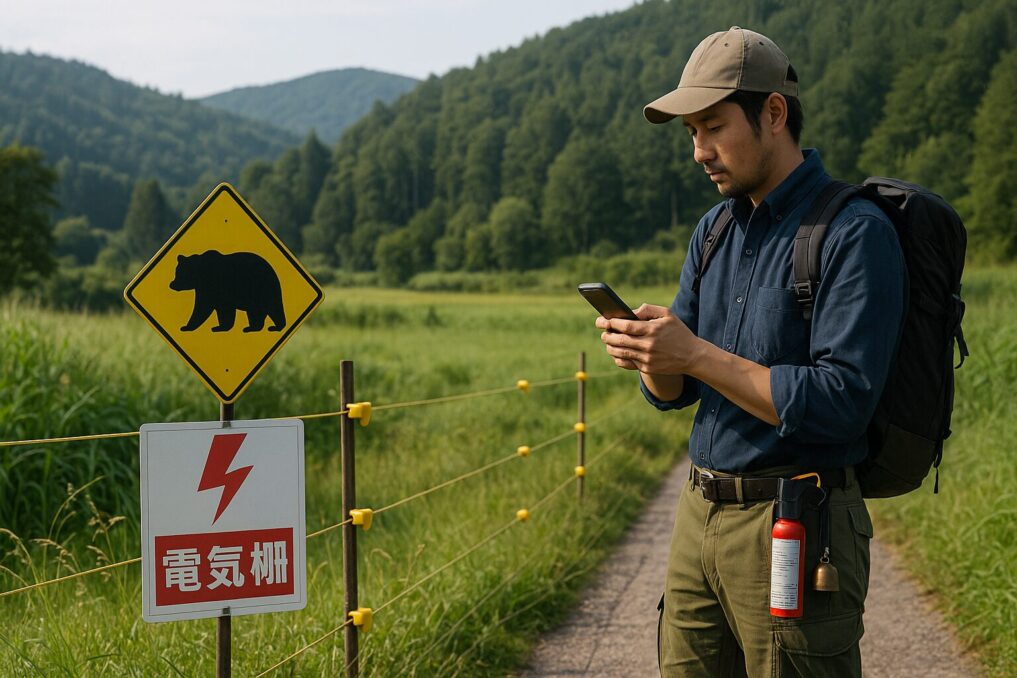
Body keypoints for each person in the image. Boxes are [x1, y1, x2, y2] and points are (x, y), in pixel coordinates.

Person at [595, 27, 907, 677]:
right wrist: (652, 356)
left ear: (772, 113)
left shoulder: (853, 233)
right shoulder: (712, 231)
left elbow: (840, 403)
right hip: (696, 517)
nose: (698, 150)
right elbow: (674, 393)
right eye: (689, 133)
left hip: (798, 521)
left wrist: (696, 355)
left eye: (711, 126)